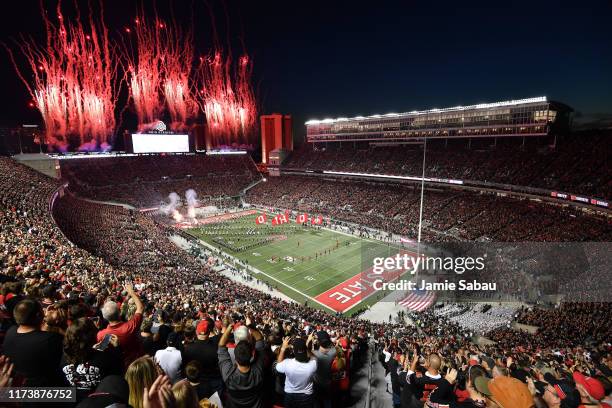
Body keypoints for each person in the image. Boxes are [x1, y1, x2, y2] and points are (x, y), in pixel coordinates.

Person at [2, 298, 64, 386]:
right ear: (39, 315)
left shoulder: (10, 331)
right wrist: (53, 322)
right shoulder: (51, 340)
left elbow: (35, 333)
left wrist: (45, 318)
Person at [61, 317, 123, 402]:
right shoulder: (105, 357)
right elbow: (118, 374)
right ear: (93, 336)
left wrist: (93, 349)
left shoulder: (64, 357)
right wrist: (117, 348)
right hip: (98, 402)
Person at [218, 322, 266, 408]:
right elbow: (260, 339)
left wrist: (228, 329)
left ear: (235, 358)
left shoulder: (228, 376)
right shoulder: (258, 371)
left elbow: (221, 346)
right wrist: (250, 326)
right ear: (252, 356)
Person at [97, 283, 144, 367]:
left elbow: (101, 350)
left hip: (115, 367)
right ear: (119, 312)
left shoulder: (101, 335)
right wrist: (131, 292)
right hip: (134, 365)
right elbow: (140, 308)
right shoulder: (130, 327)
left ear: (105, 317)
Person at [181, 317, 222, 397]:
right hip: (212, 383)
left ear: (197, 332)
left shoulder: (188, 348)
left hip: (194, 383)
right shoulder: (215, 348)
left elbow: (185, 366)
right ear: (209, 332)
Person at [276, 334, 317, 408]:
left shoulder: (287, 363)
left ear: (293, 352)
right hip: (306, 396)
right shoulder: (313, 364)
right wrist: (307, 346)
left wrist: (283, 348)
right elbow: (312, 356)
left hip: (290, 395)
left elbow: (278, 365)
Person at [312, 332, 336, 408]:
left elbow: (306, 350)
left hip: (316, 383)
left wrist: (311, 342)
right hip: (328, 382)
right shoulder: (333, 352)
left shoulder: (314, 353)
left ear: (319, 341)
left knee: (316, 402)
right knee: (327, 401)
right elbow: (333, 347)